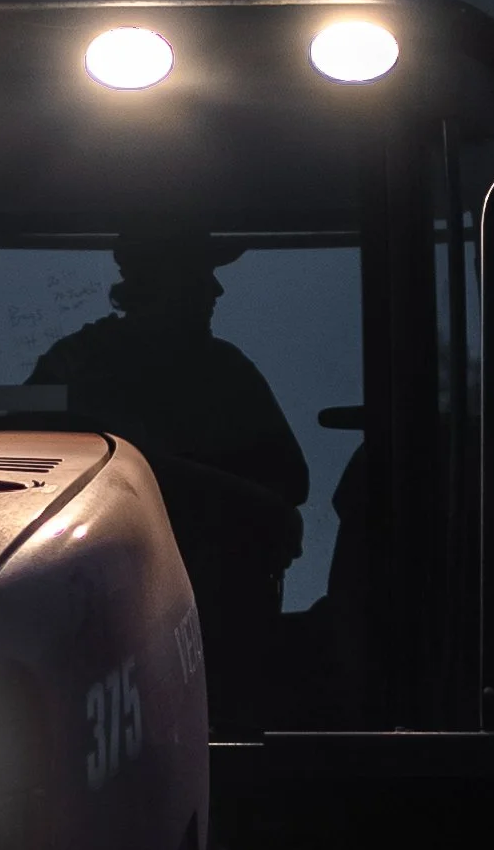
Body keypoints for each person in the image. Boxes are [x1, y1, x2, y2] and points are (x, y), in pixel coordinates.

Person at [28, 229, 309, 708]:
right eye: (200, 276)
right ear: (158, 282)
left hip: (219, 618)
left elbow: (290, 482)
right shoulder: (75, 367)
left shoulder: (225, 371)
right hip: (99, 604)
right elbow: (22, 448)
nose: (215, 291)